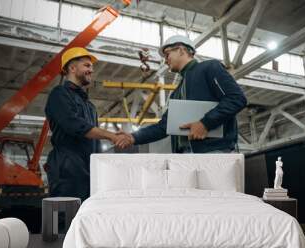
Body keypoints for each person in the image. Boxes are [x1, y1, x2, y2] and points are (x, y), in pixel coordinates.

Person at [117, 35, 247, 153]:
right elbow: (165, 126)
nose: (166, 61)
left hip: (215, 151)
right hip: (186, 155)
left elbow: (236, 98)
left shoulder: (209, 68)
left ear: (181, 50)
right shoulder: (176, 93)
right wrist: (133, 137)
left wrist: (205, 123)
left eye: (167, 55)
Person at [44, 47, 128, 201]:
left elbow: (93, 139)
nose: (91, 70)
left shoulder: (89, 106)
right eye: (87, 65)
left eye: (91, 67)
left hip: (88, 168)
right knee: (68, 217)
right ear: (72, 68)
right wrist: (111, 135)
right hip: (67, 169)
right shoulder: (59, 94)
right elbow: (74, 125)